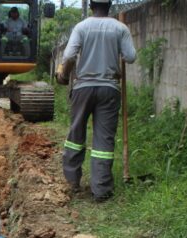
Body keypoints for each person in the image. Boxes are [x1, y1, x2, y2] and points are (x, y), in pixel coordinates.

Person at [57, 0, 136, 202]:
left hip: (83, 87)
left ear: (91, 6)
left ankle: (72, 182)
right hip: (109, 88)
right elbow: (130, 57)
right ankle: (101, 190)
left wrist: (64, 75)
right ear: (109, 6)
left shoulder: (81, 27)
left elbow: (69, 56)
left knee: (76, 134)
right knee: (103, 139)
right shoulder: (120, 28)